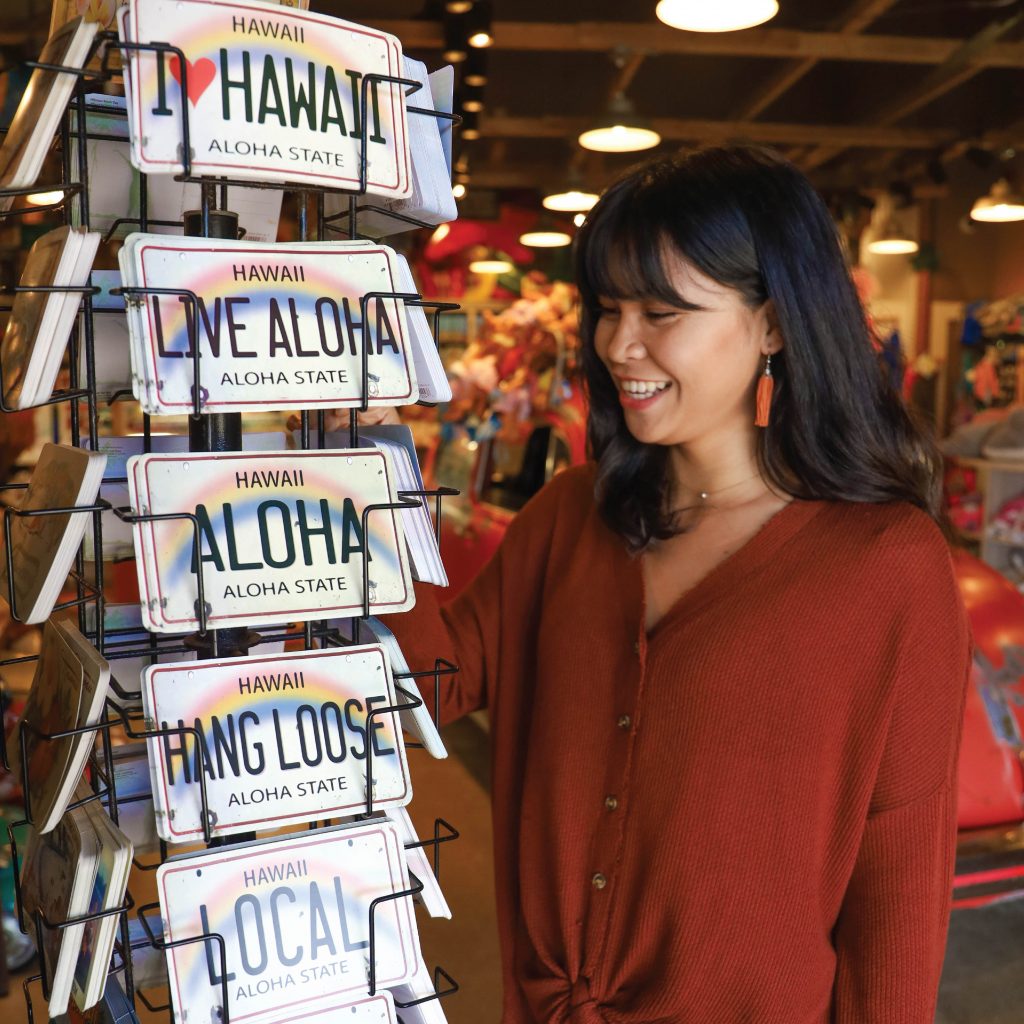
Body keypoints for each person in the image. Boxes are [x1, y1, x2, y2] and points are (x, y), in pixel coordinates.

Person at [385, 146, 972, 1023]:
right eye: (609, 307)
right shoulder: (571, 517)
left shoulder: (887, 565)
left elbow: (897, 897)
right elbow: (427, 681)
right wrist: (344, 486)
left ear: (773, 323)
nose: (619, 344)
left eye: (664, 311)